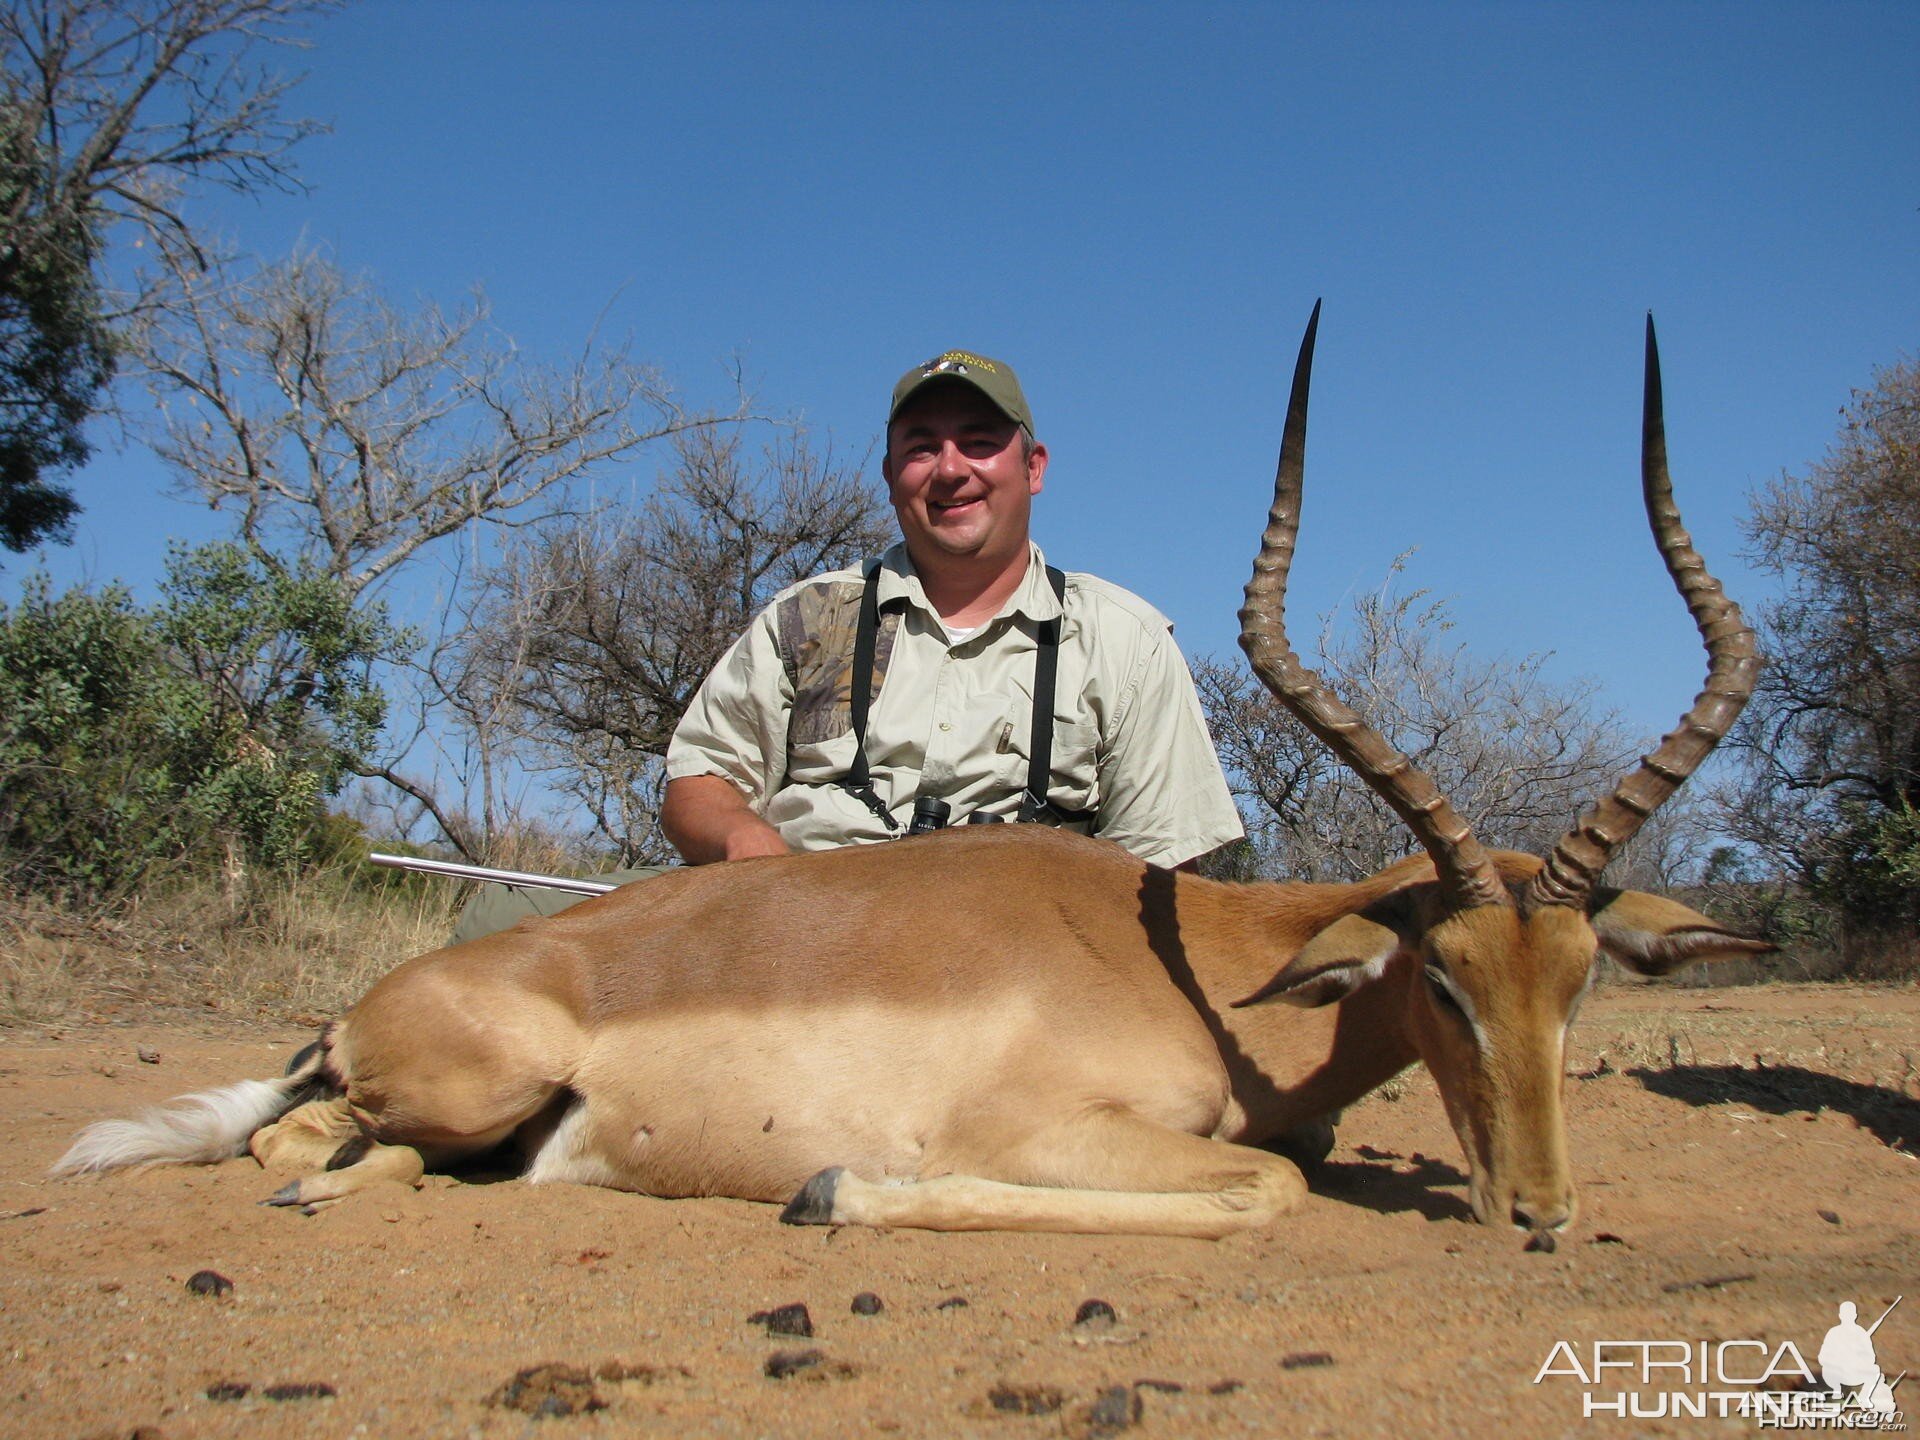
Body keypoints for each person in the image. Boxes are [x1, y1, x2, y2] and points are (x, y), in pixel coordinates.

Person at [451, 349, 1242, 942]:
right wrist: (742, 835)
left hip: (1009, 953)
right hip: (791, 924)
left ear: (1032, 468)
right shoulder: (811, 615)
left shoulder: (1123, 638)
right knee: (502, 917)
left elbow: (1162, 873)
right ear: (892, 471)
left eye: (978, 441)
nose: (951, 469)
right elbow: (697, 780)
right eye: (922, 446)